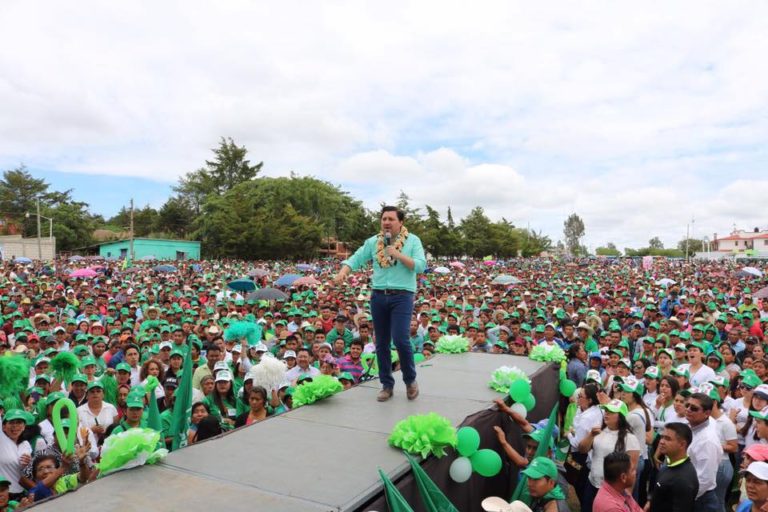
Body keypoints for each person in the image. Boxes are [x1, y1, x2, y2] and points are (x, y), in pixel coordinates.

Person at [334, 205, 426, 402]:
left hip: (402, 295)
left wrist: (398, 254)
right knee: (381, 342)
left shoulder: (413, 241)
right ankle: (386, 384)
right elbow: (357, 257)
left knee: (401, 339)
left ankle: (410, 380)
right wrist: (344, 271)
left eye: (391, 219)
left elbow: (420, 266)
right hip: (378, 295)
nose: (386, 222)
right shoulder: (373, 242)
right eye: (384, 219)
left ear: (400, 223)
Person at [578, 399, 641, 511]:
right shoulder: (598, 432)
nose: (606, 413)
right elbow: (582, 449)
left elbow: (632, 470)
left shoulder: (630, 439)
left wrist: (627, 496)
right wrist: (590, 436)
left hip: (613, 491)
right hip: (592, 483)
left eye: (611, 411)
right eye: (606, 410)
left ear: (621, 416)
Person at [685, 392, 723, 512]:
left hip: (700, 500)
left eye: (694, 408)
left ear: (707, 413)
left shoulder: (707, 440)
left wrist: (685, 498)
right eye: (687, 405)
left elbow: (705, 479)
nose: (688, 409)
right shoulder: (692, 428)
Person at [647, 422, 698, 512]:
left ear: (682, 444)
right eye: (662, 437)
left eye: (668, 439)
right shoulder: (668, 465)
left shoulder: (683, 480)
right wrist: (651, 502)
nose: (661, 442)